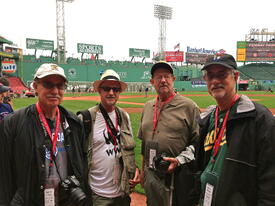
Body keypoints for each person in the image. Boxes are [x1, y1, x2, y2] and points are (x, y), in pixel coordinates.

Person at [0, 63, 91, 206]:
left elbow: (81, 165)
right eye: (48, 84)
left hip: (66, 199)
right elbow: (4, 173)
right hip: (31, 200)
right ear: (35, 87)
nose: (55, 90)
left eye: (60, 85)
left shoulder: (73, 123)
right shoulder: (13, 123)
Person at [196, 54, 275, 205]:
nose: (215, 81)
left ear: (236, 76)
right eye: (210, 75)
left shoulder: (259, 118)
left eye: (222, 74)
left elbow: (270, 179)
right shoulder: (208, 118)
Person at [138, 61, 201, 206]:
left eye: (167, 76)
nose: (163, 80)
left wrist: (180, 160)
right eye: (158, 77)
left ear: (173, 79)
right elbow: (144, 143)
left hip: (176, 177)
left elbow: (199, 143)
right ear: (152, 82)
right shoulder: (147, 107)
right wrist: (143, 172)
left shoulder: (189, 106)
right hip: (151, 174)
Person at [78, 69, 140, 206]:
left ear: (119, 92)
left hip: (122, 192)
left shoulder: (124, 116)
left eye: (115, 89)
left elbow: (128, 149)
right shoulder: (86, 118)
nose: (111, 92)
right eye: (106, 88)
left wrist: (134, 168)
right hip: (98, 194)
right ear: (99, 90)